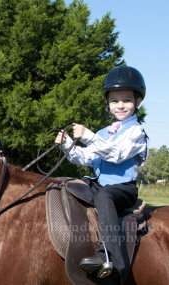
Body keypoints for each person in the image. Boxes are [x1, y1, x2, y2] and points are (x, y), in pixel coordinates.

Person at [55, 65, 148, 283]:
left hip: (122, 189)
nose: (120, 105)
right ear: (108, 103)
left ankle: (113, 258)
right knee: (69, 185)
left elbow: (116, 154)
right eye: (115, 101)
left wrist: (88, 136)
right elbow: (88, 158)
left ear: (138, 102)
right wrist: (67, 144)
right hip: (100, 183)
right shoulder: (103, 133)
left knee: (105, 197)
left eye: (126, 100)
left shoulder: (136, 132)